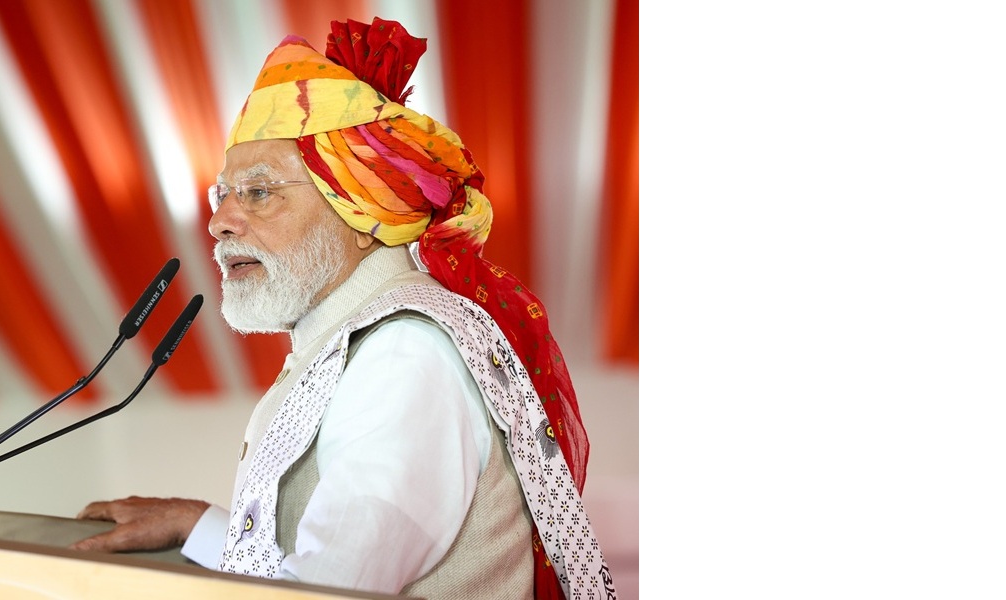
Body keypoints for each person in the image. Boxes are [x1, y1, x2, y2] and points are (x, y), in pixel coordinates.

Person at [71, 18, 615, 600]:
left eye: (259, 191)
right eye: (222, 194)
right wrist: (198, 526)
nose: (220, 221)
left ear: (361, 212)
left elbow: (320, 594)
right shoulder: (361, 342)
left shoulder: (403, 356)